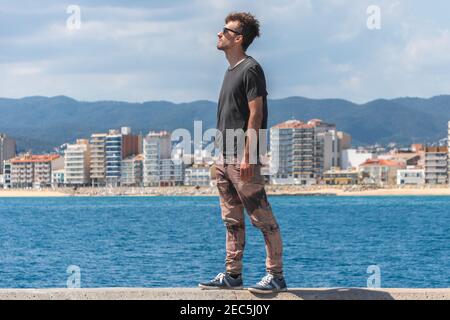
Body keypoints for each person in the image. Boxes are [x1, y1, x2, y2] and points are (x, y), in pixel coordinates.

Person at [199, 12, 287, 294]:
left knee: (262, 218)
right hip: (224, 158)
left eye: (225, 31)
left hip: (242, 156)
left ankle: (276, 276)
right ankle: (232, 274)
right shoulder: (230, 71)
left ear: (238, 38)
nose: (219, 34)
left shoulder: (250, 69)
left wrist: (249, 155)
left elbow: (256, 114)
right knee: (231, 220)